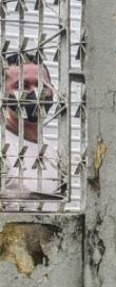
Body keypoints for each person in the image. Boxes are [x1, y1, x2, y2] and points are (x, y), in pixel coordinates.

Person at [2, 53, 57, 199]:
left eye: (41, 85)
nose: (35, 93)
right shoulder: (4, 148)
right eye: (22, 86)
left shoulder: (53, 154)